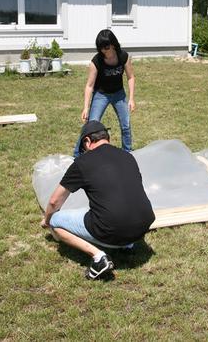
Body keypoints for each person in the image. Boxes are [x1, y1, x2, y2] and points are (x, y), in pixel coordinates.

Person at [42, 121, 155, 280]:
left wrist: (47, 220)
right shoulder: (128, 156)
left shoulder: (83, 163)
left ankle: (98, 257)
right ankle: (126, 244)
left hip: (112, 229)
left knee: (56, 220)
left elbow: (54, 201)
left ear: (87, 141)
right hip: (142, 226)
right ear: (107, 138)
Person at [73, 29, 135, 157]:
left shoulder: (123, 56)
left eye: (106, 47)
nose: (104, 51)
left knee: (126, 125)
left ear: (113, 44)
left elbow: (131, 77)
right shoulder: (96, 61)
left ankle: (128, 153)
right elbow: (89, 85)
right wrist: (85, 107)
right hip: (101, 95)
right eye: (101, 48)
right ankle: (77, 155)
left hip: (119, 94)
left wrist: (131, 98)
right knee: (91, 125)